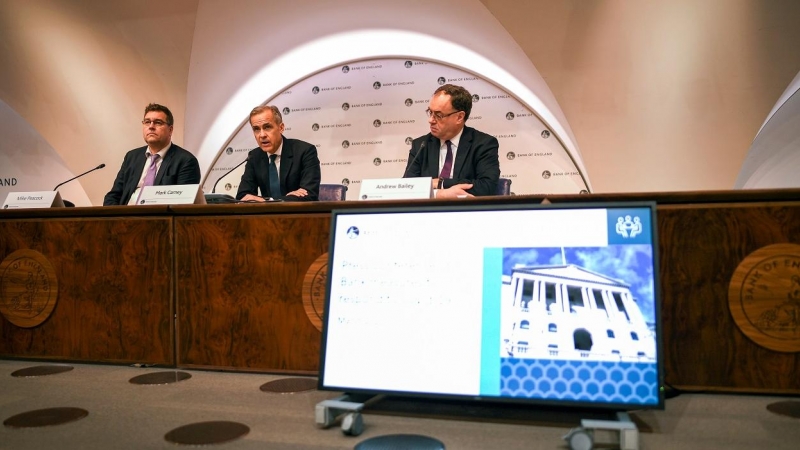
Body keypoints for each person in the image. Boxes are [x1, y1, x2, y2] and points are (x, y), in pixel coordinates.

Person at [402, 84, 499, 198]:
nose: (431, 120)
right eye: (430, 112)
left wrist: (441, 183)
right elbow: (407, 188)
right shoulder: (421, 145)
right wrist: (440, 194)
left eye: (438, 115)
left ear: (459, 117)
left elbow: (487, 187)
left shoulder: (483, 144)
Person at [103, 103, 200, 206]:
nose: (151, 126)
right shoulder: (132, 157)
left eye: (158, 122)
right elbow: (113, 195)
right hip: (126, 218)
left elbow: (183, 204)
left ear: (170, 130)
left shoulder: (185, 161)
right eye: (147, 122)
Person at [236, 105, 320, 202]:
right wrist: (272, 201)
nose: (262, 135)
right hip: (267, 216)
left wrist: (265, 201)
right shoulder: (255, 156)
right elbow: (243, 196)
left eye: (267, 127)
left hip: (298, 215)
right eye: (256, 129)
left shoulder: (305, 151)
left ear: (281, 128)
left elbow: (309, 194)